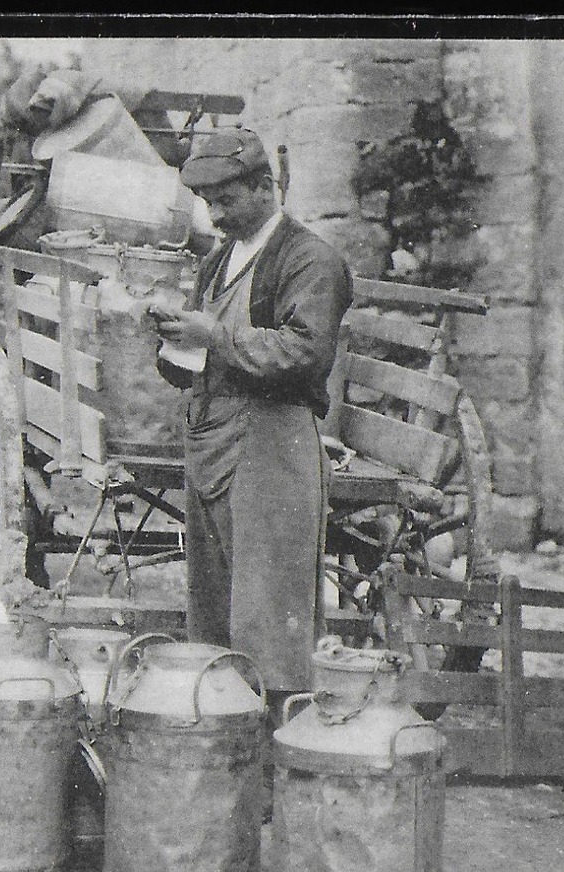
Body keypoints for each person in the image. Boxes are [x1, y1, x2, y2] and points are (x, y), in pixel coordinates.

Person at [153, 128, 353, 703]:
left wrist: (211, 334)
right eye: (207, 202)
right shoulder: (219, 260)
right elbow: (196, 360)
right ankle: (225, 759)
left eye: (227, 199)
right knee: (213, 613)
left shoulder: (310, 260)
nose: (214, 214)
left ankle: (283, 759)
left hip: (272, 449)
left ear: (266, 187)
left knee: (269, 622)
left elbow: (304, 351)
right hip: (213, 443)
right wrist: (171, 340)